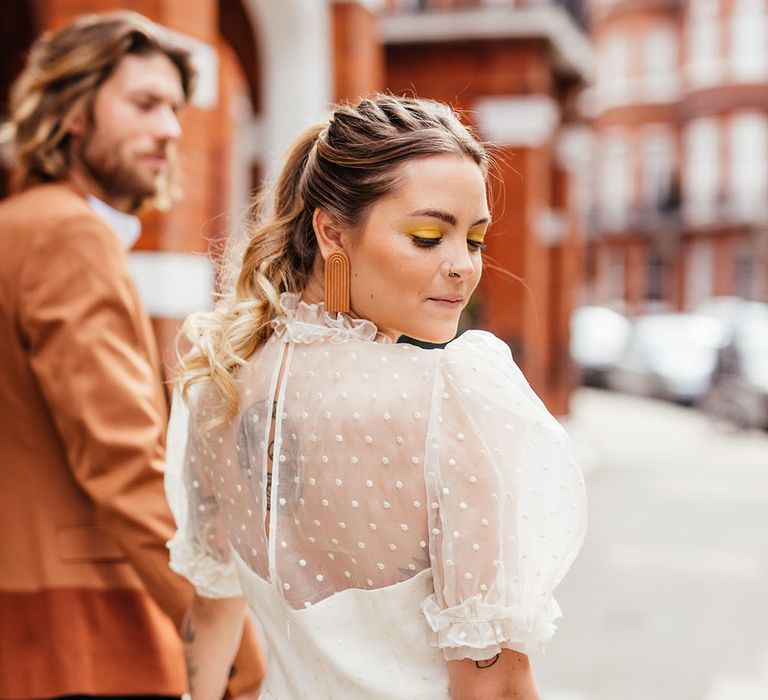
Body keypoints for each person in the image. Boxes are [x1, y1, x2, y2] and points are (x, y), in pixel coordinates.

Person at [166, 94, 587, 699]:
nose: (462, 267)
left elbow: (211, 624)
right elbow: (495, 684)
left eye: (474, 240)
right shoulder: (450, 399)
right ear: (332, 232)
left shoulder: (218, 384)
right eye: (426, 236)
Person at [0, 11, 264, 699]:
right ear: (72, 111)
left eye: (176, 109)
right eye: (144, 104)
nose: (173, 130)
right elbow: (123, 464)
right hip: (72, 626)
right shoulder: (66, 235)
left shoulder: (20, 226)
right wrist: (220, 630)